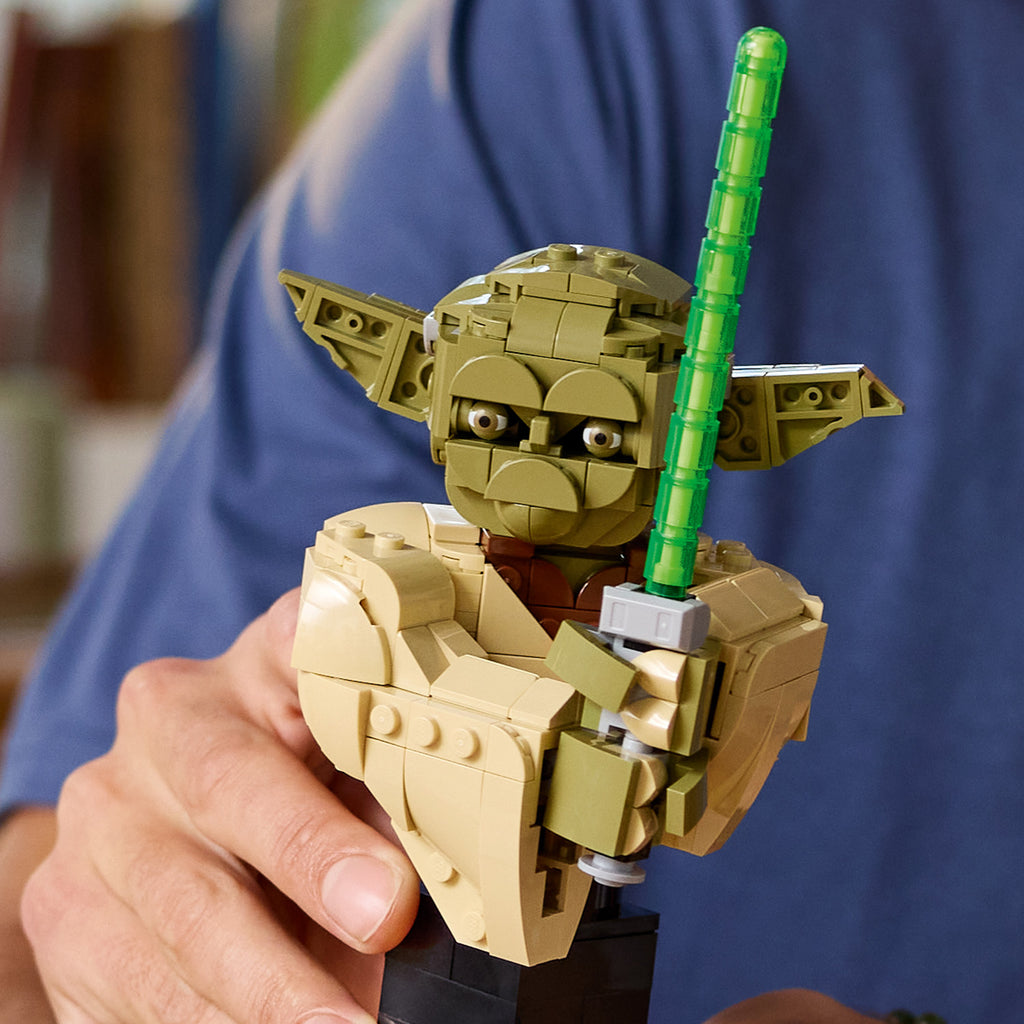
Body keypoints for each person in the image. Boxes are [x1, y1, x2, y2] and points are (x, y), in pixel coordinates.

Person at [2, 0, 1021, 1020]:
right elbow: (49, 902)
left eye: (594, 437)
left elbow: (716, 714)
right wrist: (154, 922)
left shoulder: (714, 605)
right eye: (496, 419)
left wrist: (649, 706)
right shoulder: (598, 46)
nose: (542, 468)